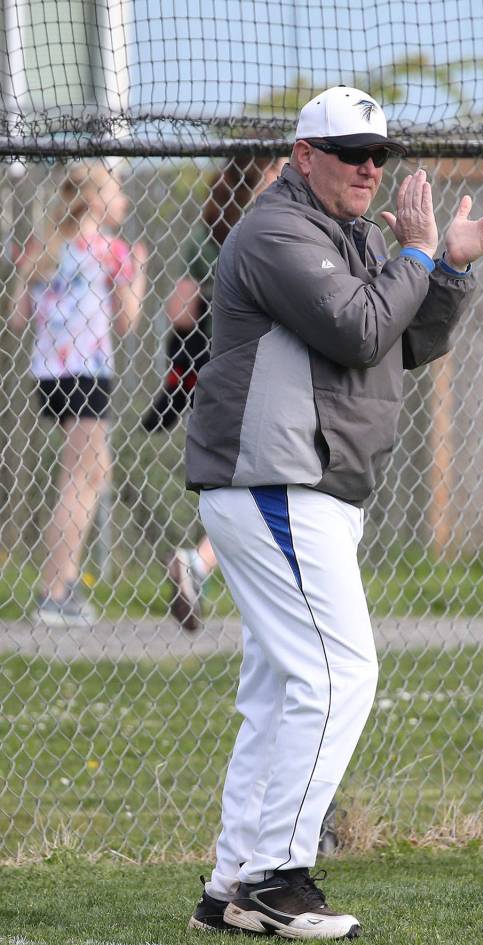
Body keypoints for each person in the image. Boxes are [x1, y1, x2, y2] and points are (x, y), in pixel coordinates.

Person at [185, 85, 483, 940]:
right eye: (351, 153)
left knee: (281, 692)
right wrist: (417, 252)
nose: (369, 168)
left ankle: (230, 887)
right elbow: (359, 329)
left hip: (307, 487)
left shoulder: (355, 237)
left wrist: (447, 267)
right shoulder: (276, 230)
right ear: (303, 156)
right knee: (340, 675)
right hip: (277, 481)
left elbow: (409, 340)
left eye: (378, 156)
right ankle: (276, 880)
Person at [141, 156, 285, 630]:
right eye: (278, 170)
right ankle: (201, 563)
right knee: (265, 484)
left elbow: (179, 311)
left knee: (249, 486)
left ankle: (203, 565)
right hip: (262, 374)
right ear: (258, 179)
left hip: (219, 373)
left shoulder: (210, 235)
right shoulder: (278, 229)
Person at [10, 162, 146, 626]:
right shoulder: (111, 250)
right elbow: (127, 322)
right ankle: (56, 589)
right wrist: (138, 274)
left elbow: (17, 319)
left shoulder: (45, 247)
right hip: (88, 372)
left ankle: (61, 584)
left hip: (50, 373)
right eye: (117, 191)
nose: (124, 200)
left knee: (93, 471)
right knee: (80, 477)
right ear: (94, 200)